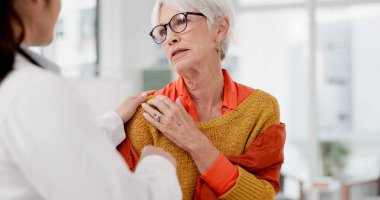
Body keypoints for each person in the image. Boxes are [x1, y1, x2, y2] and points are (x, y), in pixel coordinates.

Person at [0, 0, 182, 200]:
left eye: (181, 22)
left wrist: (113, 120)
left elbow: (56, 150)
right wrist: (157, 163)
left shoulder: (21, 88)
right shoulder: (33, 91)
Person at [117, 0, 286, 199]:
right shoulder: (147, 115)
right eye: (162, 32)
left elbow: (262, 196)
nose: (170, 38)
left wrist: (194, 140)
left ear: (220, 29)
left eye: (180, 22)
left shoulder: (261, 109)